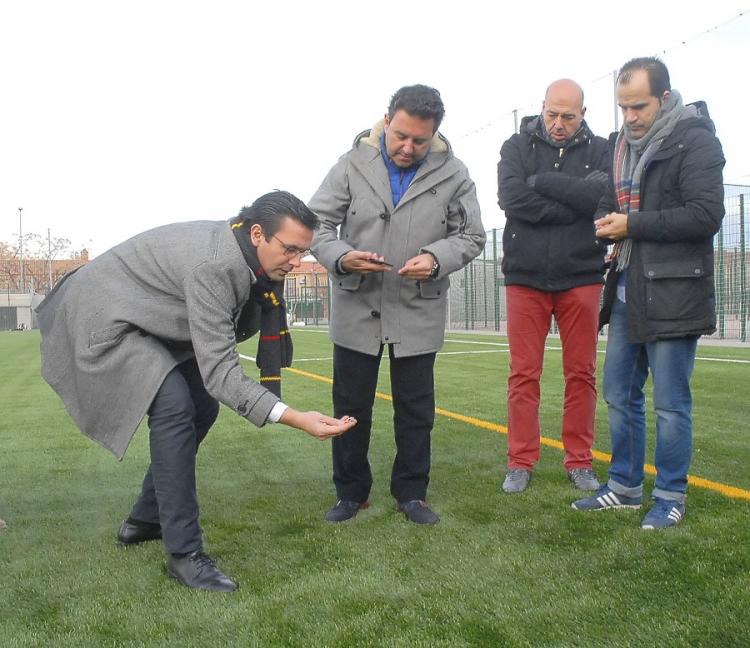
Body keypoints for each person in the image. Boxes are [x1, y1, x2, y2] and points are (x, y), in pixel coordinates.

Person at [36, 191, 356, 591]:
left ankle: (144, 521)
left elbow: (213, 375)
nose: (296, 263)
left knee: (201, 406)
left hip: (143, 318)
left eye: (303, 253)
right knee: (172, 403)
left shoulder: (243, 253)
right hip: (101, 320)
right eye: (290, 250)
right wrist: (294, 418)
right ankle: (184, 555)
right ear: (257, 234)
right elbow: (223, 374)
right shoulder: (216, 265)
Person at [309, 84, 485, 525]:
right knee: (350, 406)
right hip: (357, 306)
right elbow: (315, 226)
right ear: (387, 120)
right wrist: (343, 257)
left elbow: (472, 236)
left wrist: (436, 257)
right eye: (400, 135)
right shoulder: (349, 165)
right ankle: (350, 493)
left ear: (435, 134)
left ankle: (412, 494)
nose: (408, 147)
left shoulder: (456, 173)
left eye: (419, 141)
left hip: (417, 309)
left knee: (416, 409)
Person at [572, 57, 725, 529]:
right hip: (627, 287)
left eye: (638, 106)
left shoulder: (696, 140)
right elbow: (608, 202)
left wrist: (632, 225)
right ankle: (624, 486)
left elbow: (705, 215)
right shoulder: (620, 145)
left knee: (671, 403)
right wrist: (606, 225)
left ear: (663, 97)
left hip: (676, 292)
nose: (630, 117)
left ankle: (670, 494)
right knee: (619, 392)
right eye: (623, 108)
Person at [497, 79, 610, 494]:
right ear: (541, 107)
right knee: (524, 374)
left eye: (568, 116)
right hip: (525, 277)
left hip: (581, 276)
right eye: (552, 114)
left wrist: (541, 183)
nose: (559, 123)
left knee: (581, 373)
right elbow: (511, 199)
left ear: (583, 113)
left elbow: (602, 199)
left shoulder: (602, 150)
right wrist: (574, 204)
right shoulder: (515, 146)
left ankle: (580, 461)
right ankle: (520, 461)